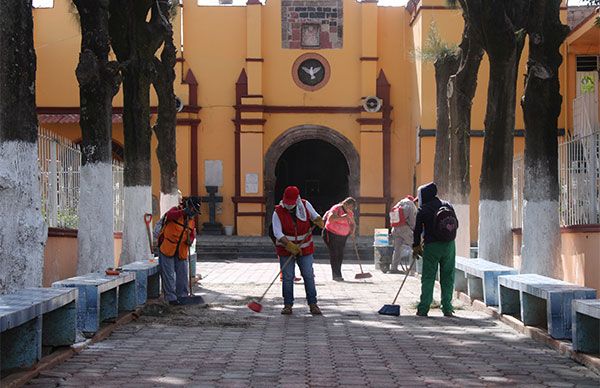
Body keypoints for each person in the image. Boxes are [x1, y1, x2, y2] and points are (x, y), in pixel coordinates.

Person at [272, 185, 325, 315]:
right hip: (286, 249)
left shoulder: (305, 205)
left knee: (308, 275)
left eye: (292, 202)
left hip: (305, 248)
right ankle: (287, 305)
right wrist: (290, 246)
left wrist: (319, 220)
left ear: (297, 199)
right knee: (288, 277)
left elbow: (315, 216)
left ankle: (313, 304)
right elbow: (277, 233)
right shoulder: (278, 212)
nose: (289, 205)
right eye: (287, 202)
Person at [413, 182, 458, 317]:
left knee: (428, 277)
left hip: (432, 246)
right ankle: (447, 308)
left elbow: (417, 231)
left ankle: (423, 308)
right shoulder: (447, 205)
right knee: (448, 277)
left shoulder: (423, 209)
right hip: (449, 245)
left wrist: (416, 246)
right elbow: (456, 224)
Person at [157, 196, 201, 305]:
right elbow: (169, 216)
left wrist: (190, 240)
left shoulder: (191, 221)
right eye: (193, 210)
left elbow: (191, 234)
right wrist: (183, 212)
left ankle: (182, 296)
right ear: (188, 207)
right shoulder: (175, 210)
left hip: (181, 250)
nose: (193, 214)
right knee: (169, 274)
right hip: (167, 247)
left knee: (183, 274)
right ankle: (171, 298)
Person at [322, 197, 356, 281]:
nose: (351, 209)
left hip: (343, 236)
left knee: (340, 254)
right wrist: (342, 217)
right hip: (330, 233)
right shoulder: (336, 208)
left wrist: (353, 231)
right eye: (350, 206)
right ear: (345, 204)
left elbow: (353, 224)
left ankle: (338, 273)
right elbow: (331, 218)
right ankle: (336, 275)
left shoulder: (350, 213)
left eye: (352, 208)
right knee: (334, 253)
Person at [389, 195, 418, 274]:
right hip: (404, 228)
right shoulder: (410, 204)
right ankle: (415, 268)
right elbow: (412, 220)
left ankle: (393, 268)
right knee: (415, 246)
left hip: (395, 229)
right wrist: (414, 229)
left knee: (397, 249)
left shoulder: (399, 203)